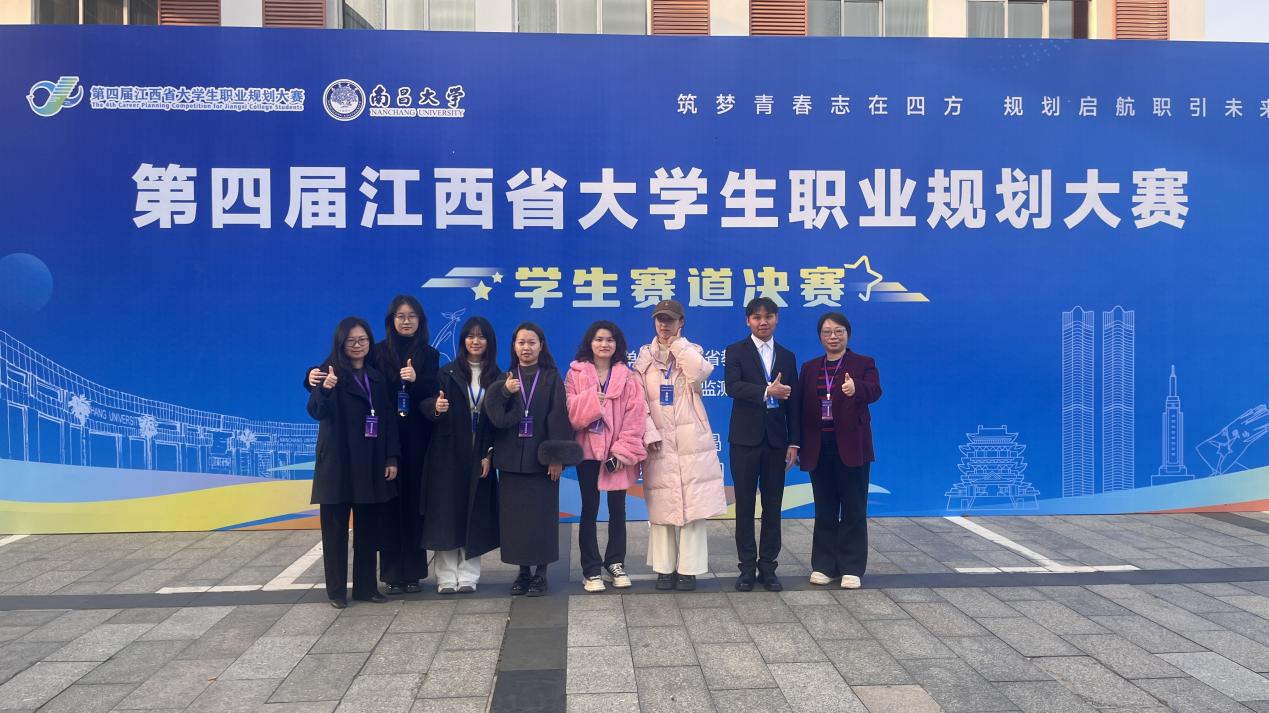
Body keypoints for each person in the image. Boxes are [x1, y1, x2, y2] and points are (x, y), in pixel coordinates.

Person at [305, 317, 399, 609]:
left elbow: (388, 421)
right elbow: (316, 411)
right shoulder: (329, 373)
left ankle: (366, 587)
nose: (358, 345)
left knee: (368, 529)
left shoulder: (376, 377)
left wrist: (391, 457)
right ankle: (336, 591)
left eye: (363, 340)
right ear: (340, 343)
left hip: (370, 463)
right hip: (338, 464)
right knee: (334, 530)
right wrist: (325, 388)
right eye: (351, 341)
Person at [633, 300, 726, 591]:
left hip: (690, 439)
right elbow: (637, 402)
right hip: (658, 440)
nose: (664, 325)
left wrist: (677, 345)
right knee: (662, 505)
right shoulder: (644, 358)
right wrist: (649, 433)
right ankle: (664, 569)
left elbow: (700, 373)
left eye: (670, 320)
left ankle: (689, 569)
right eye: (660, 320)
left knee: (692, 506)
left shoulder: (691, 351)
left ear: (681, 322)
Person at [484, 322, 581, 596]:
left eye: (531, 342)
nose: (526, 348)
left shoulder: (550, 377)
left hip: (542, 463)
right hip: (511, 462)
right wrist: (505, 392)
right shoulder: (504, 378)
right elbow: (495, 419)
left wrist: (556, 457)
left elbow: (558, 418)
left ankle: (541, 574)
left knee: (541, 519)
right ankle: (522, 572)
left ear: (541, 346)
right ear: (514, 347)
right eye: (521, 343)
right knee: (516, 520)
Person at [796, 313, 881, 589]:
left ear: (848, 334)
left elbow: (875, 391)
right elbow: (801, 407)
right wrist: (796, 443)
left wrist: (857, 388)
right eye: (827, 332)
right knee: (825, 507)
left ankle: (852, 567)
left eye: (838, 331)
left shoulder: (863, 363)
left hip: (852, 446)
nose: (833, 337)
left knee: (854, 507)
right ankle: (825, 565)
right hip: (819, 446)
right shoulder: (810, 367)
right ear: (820, 336)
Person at [419, 317, 501, 594]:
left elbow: (497, 422)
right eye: (470, 336)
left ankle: (468, 575)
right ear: (463, 340)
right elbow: (425, 403)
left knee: (472, 513)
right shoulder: (447, 372)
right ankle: (445, 576)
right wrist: (436, 407)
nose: (475, 341)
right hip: (447, 454)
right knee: (447, 513)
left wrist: (489, 453)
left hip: (479, 455)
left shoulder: (498, 376)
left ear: (489, 341)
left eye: (481, 336)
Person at [724, 297, 800, 592]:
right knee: (744, 505)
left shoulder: (787, 356)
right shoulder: (735, 351)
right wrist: (768, 390)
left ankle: (768, 567)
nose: (763, 322)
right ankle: (746, 568)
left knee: (773, 505)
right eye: (756, 317)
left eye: (768, 316)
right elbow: (733, 387)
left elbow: (794, 402)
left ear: (777, 319)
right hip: (744, 440)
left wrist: (794, 442)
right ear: (748, 321)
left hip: (776, 441)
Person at [565, 320, 647, 593]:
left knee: (618, 508)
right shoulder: (575, 373)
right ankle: (590, 569)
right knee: (589, 508)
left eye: (610, 340)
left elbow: (636, 416)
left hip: (617, 453)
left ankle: (615, 563)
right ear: (590, 343)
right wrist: (593, 401)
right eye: (599, 339)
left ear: (617, 344)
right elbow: (569, 410)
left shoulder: (628, 377)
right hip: (588, 450)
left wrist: (622, 451)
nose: (604, 344)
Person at [375, 295, 440, 595]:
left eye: (412, 316)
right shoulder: (377, 352)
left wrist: (415, 380)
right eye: (401, 316)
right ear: (391, 320)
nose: (406, 321)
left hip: (417, 439)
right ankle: (391, 573)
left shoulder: (430, 354)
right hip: (385, 438)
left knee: (414, 504)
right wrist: (312, 377)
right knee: (388, 506)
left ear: (420, 321)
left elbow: (434, 392)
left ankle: (413, 572)